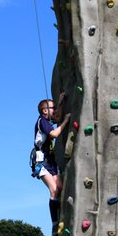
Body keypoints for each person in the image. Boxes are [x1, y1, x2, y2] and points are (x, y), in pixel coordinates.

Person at [32, 95, 70, 225]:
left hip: (51, 161)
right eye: (52, 108)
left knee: (60, 187)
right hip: (41, 162)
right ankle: (54, 223)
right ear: (45, 111)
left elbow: (56, 117)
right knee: (54, 189)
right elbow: (54, 134)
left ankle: (60, 214)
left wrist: (60, 102)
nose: (54, 110)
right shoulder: (42, 121)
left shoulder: (46, 121)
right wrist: (65, 121)